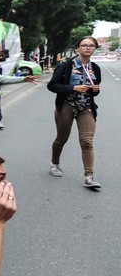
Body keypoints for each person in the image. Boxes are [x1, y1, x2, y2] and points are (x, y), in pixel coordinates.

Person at [47, 36, 102, 189]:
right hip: (67, 105)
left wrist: (95, 90)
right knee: (62, 138)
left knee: (87, 141)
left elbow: (94, 89)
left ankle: (89, 177)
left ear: (95, 48)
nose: (88, 48)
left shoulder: (95, 68)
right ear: (78, 48)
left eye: (91, 45)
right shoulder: (66, 66)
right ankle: (54, 163)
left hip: (86, 107)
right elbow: (52, 86)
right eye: (84, 45)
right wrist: (72, 88)